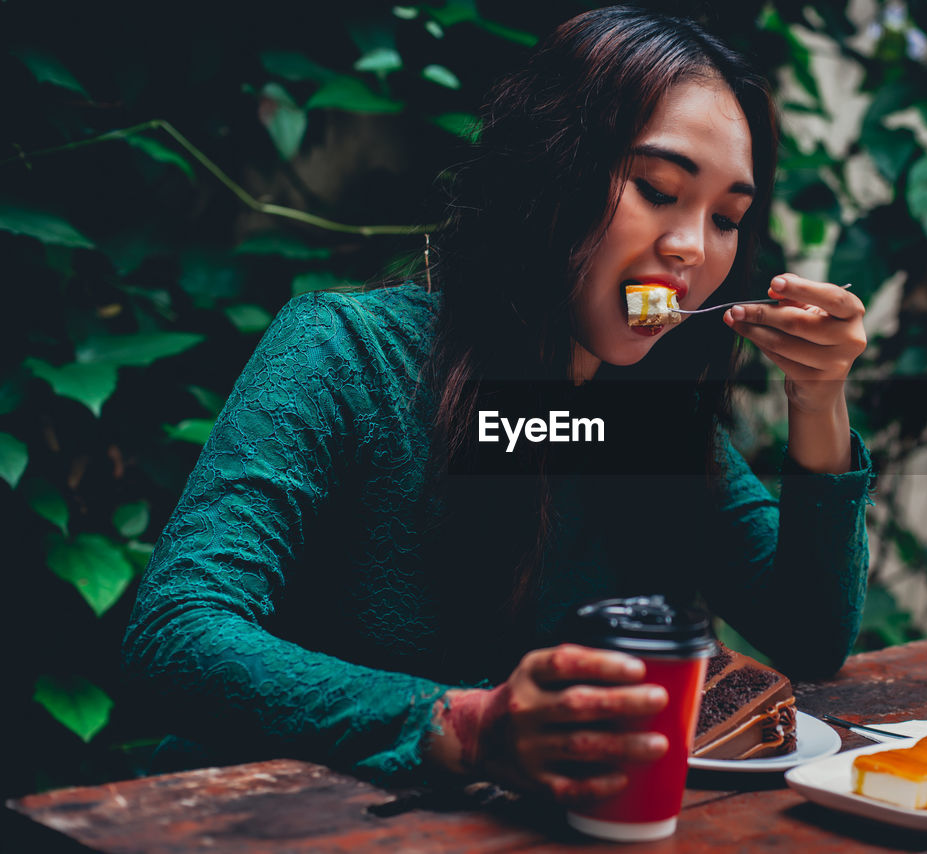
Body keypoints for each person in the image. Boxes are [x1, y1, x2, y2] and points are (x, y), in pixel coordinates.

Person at [123, 6, 872, 806]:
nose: (692, 246)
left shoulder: (643, 416)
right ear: (551, 166)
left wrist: (819, 399)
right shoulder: (347, 354)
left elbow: (809, 635)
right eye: (658, 189)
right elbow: (179, 632)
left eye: (727, 218)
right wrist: (470, 725)